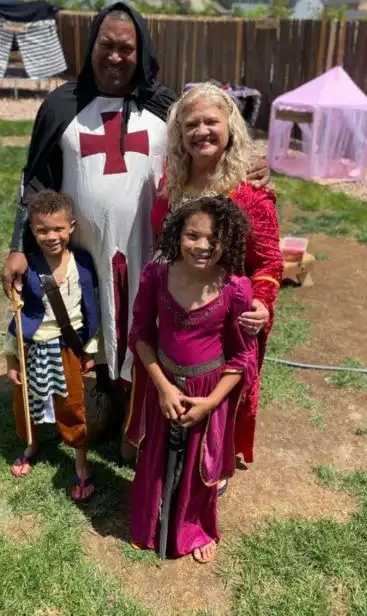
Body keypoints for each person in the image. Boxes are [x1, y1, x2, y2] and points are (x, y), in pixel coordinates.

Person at [1, 2, 270, 446]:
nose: (115, 56)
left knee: (146, 328)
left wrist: (250, 165)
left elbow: (209, 148)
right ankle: (102, 401)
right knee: (89, 325)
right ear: (91, 47)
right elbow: (35, 181)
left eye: (126, 48)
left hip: (151, 249)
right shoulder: (61, 105)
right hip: (82, 251)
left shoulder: (166, 107)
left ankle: (141, 420)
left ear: (141, 51)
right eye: (106, 46)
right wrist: (18, 246)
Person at [150, 83, 283, 469]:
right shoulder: (172, 183)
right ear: (179, 133)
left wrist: (262, 302)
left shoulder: (250, 192)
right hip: (174, 307)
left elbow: (269, 263)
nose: (202, 131)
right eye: (191, 124)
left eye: (211, 122)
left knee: (217, 396)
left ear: (231, 127)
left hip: (222, 321)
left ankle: (213, 462)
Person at [126, 196, 258, 562]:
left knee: (200, 465)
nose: (202, 246)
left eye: (214, 239)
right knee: (155, 456)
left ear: (228, 241)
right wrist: (163, 387)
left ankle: (194, 529)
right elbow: (140, 335)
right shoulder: (156, 275)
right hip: (164, 384)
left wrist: (211, 402)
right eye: (192, 235)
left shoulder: (235, 288)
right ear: (176, 235)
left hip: (207, 391)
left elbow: (242, 356)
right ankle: (149, 524)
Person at [4, 189, 99, 501]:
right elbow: (16, 316)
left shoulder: (82, 264)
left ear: (71, 227)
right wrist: (12, 359)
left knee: (71, 405)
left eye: (58, 228)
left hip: (67, 348)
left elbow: (91, 309)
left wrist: (90, 349)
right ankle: (32, 444)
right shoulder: (27, 267)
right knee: (26, 401)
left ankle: (81, 463)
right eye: (42, 230)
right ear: (32, 231)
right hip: (32, 349)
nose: (51, 236)